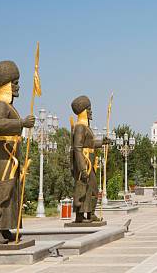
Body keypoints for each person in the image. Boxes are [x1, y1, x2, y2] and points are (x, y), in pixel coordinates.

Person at [0, 61, 35, 244]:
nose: (17, 86)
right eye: (14, 82)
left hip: (10, 154)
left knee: (11, 192)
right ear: (5, 84)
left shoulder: (9, 106)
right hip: (1, 155)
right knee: (1, 190)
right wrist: (21, 123)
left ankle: (5, 228)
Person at [71, 95, 107, 223]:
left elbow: (89, 144)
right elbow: (78, 148)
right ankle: (80, 216)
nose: (91, 112)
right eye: (89, 109)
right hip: (84, 163)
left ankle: (90, 214)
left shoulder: (86, 128)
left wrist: (102, 142)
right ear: (83, 111)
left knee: (92, 189)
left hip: (89, 162)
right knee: (83, 188)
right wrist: (82, 168)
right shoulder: (80, 127)